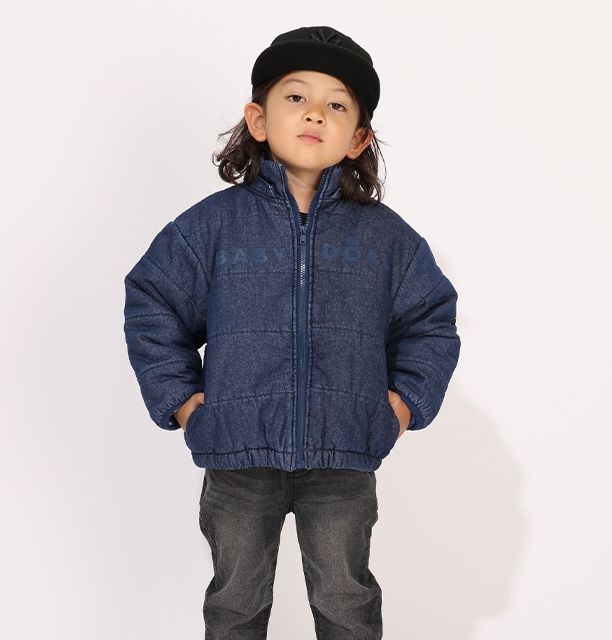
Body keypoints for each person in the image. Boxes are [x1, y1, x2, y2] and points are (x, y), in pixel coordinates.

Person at [124, 25, 460, 640]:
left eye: (337, 105)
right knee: (235, 605)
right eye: (296, 97)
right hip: (237, 453)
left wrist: (404, 404)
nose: (315, 114)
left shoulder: (387, 239)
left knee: (346, 603)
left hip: (343, 456)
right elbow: (153, 304)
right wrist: (183, 402)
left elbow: (430, 323)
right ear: (257, 119)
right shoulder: (210, 228)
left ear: (358, 138)